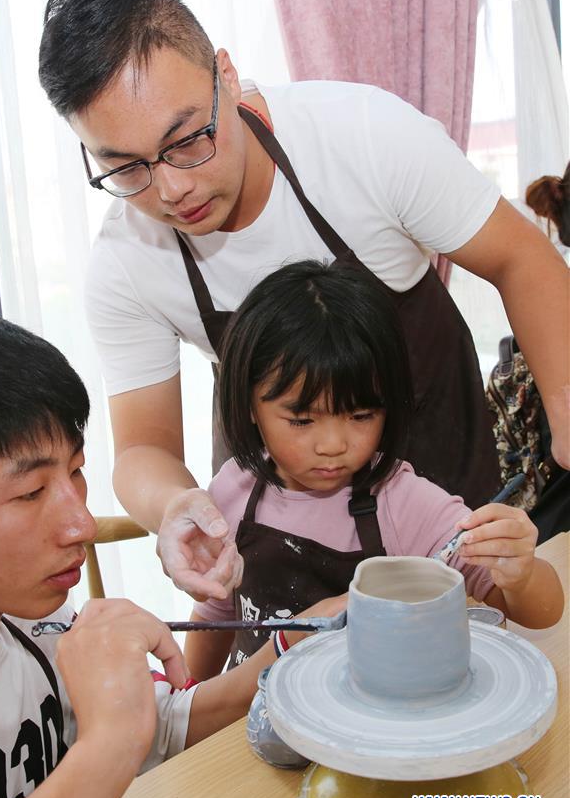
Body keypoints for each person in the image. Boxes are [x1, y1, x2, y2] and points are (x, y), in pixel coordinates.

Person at [38, 0, 570, 602]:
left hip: (438, 464)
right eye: (124, 168)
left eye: (187, 140)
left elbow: (523, 258)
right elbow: (143, 446)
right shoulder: (126, 260)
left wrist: (566, 412)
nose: (171, 189)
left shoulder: (364, 137)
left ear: (226, 79)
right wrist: (177, 505)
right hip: (283, 510)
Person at [0, 309, 343, 798]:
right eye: (31, 492)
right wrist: (108, 743)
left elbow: (166, 724)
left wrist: (289, 646)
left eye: (77, 472)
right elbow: (124, 737)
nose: (82, 525)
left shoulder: (37, 634)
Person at [184, 261, 564, 679]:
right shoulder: (233, 490)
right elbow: (215, 614)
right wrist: (189, 704)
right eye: (301, 420)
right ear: (250, 407)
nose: (333, 445)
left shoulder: (403, 503)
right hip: (248, 716)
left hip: (369, 726)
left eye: (361, 415)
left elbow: (541, 613)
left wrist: (521, 573)